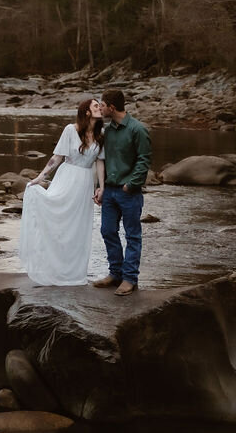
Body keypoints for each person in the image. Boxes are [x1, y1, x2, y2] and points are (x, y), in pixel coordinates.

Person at [19, 97, 104, 286]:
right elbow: (57, 157)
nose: (100, 108)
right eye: (96, 106)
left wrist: (101, 188)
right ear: (87, 112)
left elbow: (99, 162)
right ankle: (52, 268)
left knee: (78, 228)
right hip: (66, 178)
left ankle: (73, 273)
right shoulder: (70, 130)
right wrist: (40, 177)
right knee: (59, 222)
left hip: (85, 184)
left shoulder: (101, 134)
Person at [92, 87, 150, 296]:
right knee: (107, 231)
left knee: (132, 235)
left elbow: (144, 161)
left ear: (112, 107)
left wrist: (131, 184)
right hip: (109, 192)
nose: (101, 108)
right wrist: (99, 188)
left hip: (129, 193)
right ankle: (115, 273)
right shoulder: (108, 131)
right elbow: (102, 161)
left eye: (103, 105)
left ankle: (129, 279)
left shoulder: (137, 129)